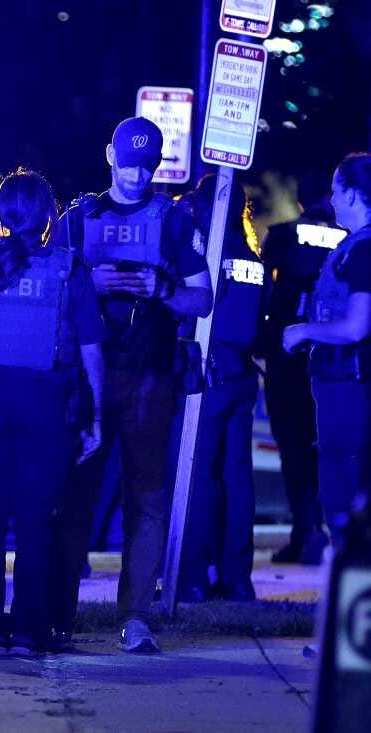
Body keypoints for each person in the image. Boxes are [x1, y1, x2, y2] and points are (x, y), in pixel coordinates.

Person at [51, 117, 212, 654]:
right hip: (90, 379)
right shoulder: (78, 220)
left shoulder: (172, 221)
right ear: (109, 156)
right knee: (77, 498)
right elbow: (46, 294)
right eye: (129, 163)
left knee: (146, 498)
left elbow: (202, 298)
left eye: (148, 164)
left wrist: (163, 287)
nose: (138, 174)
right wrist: (86, 284)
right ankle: (59, 614)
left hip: (149, 376)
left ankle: (136, 617)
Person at [0, 169, 104, 656]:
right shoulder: (69, 269)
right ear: (51, 216)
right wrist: (96, 418)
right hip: (46, 406)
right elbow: (92, 350)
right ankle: (30, 630)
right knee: (37, 521)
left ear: (3, 215)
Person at [176, 174, 268, 602]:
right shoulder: (253, 257)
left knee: (198, 477)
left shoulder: (209, 255)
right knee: (237, 479)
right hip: (241, 375)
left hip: (209, 373)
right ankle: (237, 579)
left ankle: (192, 576)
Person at [283, 152, 371, 547]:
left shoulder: (363, 250)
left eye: (337, 191)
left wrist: (304, 331)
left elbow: (356, 326)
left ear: (353, 194)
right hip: (344, 384)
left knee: (343, 482)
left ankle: (348, 590)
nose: (331, 199)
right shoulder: (354, 246)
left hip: (349, 384)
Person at [261, 171, 338, 565]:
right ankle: (326, 531)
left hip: (288, 356)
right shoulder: (349, 238)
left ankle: (304, 532)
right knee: (329, 447)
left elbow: (265, 290)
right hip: (332, 358)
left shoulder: (284, 235)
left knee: (293, 449)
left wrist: (260, 341)